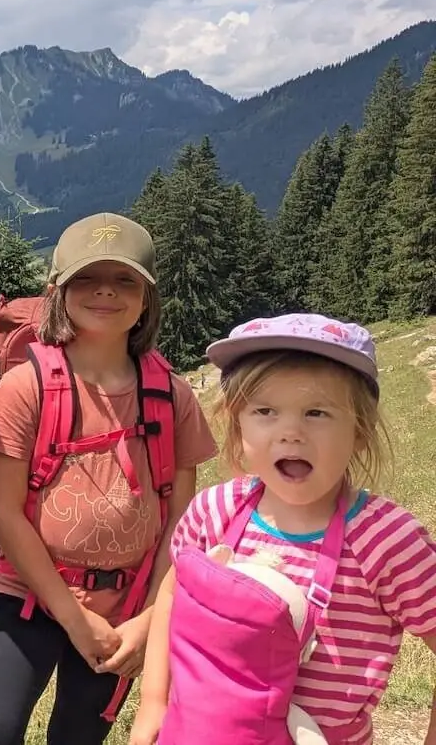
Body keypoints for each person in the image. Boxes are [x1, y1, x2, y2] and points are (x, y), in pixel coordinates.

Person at [0, 212, 218, 745]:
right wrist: (77, 622)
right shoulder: (25, 386)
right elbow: (5, 513)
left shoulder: (173, 397)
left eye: (125, 279)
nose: (106, 291)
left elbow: (181, 524)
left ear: (147, 297)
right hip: (30, 596)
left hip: (126, 610)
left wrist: (148, 623)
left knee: (78, 736)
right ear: (58, 291)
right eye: (87, 278)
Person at [131, 313, 436, 745]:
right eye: (265, 411)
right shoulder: (214, 510)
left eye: (316, 412)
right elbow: (171, 591)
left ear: (361, 431)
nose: (290, 432)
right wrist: (153, 701)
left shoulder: (387, 540)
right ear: (238, 423)